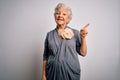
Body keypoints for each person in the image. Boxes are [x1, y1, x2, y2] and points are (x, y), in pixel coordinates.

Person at [41, 3, 89, 80]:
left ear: (68, 18)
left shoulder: (75, 33)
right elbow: (45, 56)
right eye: (57, 13)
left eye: (64, 14)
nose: (60, 15)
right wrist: (43, 75)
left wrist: (83, 37)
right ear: (55, 16)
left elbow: (83, 53)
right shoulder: (49, 35)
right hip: (52, 73)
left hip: (71, 72)